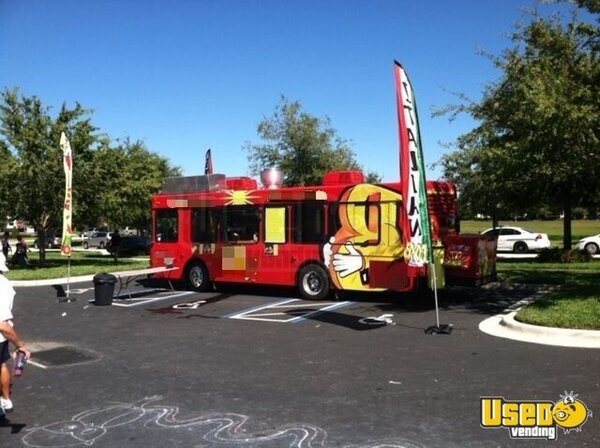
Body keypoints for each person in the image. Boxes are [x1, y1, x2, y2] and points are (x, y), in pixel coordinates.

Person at [0, 252, 31, 415]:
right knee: (1, 364)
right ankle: (5, 400)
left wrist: (20, 345)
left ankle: (4, 401)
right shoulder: (5, 284)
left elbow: (2, 325)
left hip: (1, 333)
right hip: (1, 338)